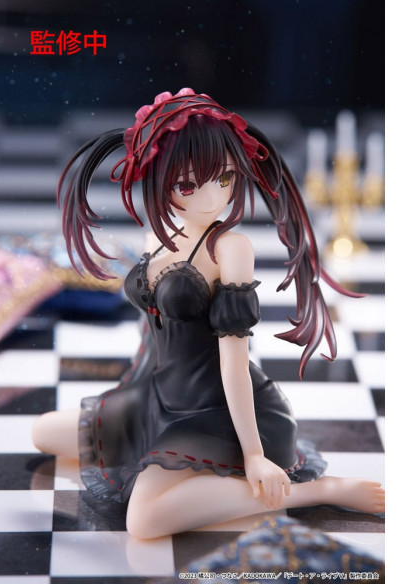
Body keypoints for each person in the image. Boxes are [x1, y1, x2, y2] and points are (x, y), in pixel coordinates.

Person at [32, 88, 385, 539]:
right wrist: (130, 393)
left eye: (225, 179)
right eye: (188, 185)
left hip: (216, 412)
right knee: (45, 433)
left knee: (145, 521)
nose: (211, 198)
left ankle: (315, 490)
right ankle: (177, 460)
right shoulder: (156, 238)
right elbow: (153, 332)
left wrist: (254, 455)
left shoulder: (230, 248)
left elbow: (234, 361)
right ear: (157, 179)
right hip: (157, 397)